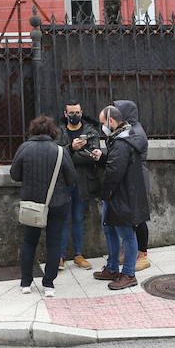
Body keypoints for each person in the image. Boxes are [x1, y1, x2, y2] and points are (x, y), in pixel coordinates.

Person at [11, 115, 78, 297]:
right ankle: (49, 284)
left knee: (29, 241)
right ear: (52, 131)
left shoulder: (24, 148)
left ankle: (26, 283)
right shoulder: (60, 151)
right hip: (57, 203)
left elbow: (14, 175)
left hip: (32, 204)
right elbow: (72, 178)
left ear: (33, 130)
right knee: (54, 243)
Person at [92, 102, 149, 291]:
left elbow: (114, 172)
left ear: (111, 121)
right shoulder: (121, 138)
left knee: (126, 235)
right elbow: (116, 162)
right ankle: (112, 268)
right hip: (120, 194)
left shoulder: (122, 142)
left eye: (103, 123)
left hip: (121, 196)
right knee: (109, 230)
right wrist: (103, 157)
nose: (102, 128)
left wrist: (105, 194)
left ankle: (129, 274)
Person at [57, 99, 101, 270]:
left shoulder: (90, 131)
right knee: (62, 219)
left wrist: (70, 153)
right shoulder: (58, 130)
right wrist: (71, 148)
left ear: (81, 112)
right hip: (63, 182)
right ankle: (60, 256)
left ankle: (78, 255)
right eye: (71, 113)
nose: (75, 115)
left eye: (77, 112)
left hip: (82, 182)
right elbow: (56, 152)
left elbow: (92, 156)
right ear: (65, 114)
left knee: (77, 219)